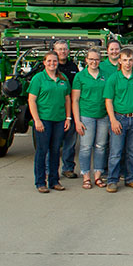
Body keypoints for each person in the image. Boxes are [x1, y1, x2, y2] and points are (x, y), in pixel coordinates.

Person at [103, 49, 133, 192]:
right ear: (119, 61)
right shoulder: (113, 78)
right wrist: (113, 120)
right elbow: (108, 100)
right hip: (119, 118)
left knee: (132, 152)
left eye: (130, 60)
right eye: (125, 60)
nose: (128, 63)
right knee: (116, 151)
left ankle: (131, 178)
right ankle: (112, 180)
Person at [28, 51, 72, 193]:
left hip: (59, 120)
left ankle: (54, 181)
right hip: (44, 120)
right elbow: (32, 100)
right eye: (49, 61)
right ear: (44, 62)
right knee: (42, 151)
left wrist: (68, 117)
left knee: (55, 151)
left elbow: (67, 99)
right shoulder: (38, 79)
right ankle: (40, 182)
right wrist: (37, 120)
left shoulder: (63, 78)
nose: (52, 64)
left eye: (54, 61)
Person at [72, 48, 109, 189]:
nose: (94, 62)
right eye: (91, 59)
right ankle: (86, 176)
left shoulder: (105, 76)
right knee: (86, 147)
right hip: (86, 116)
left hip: (103, 116)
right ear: (86, 60)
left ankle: (98, 176)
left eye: (97, 59)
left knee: (101, 147)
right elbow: (75, 100)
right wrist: (77, 121)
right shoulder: (80, 77)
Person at [52, 40, 80, 180]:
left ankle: (68, 168)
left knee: (70, 142)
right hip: (54, 110)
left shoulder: (73, 67)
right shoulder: (50, 67)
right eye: (59, 49)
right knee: (53, 143)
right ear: (54, 50)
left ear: (68, 51)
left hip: (70, 109)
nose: (62, 51)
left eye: (64, 49)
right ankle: (50, 170)